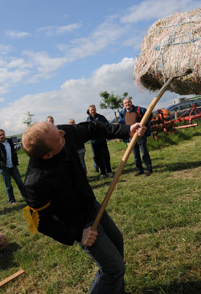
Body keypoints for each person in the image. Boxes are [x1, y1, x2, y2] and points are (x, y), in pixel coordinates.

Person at [21, 121, 146, 294]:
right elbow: (42, 223)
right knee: (113, 269)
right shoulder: (35, 183)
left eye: (57, 129)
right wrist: (78, 235)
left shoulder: (61, 134)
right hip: (79, 224)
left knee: (117, 242)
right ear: (48, 155)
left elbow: (92, 128)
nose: (63, 133)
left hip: (92, 206)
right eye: (58, 136)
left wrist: (126, 130)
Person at [118, 98, 153, 176]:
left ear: (131, 102)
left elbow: (149, 114)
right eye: (125, 103)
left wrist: (144, 124)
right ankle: (139, 170)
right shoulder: (122, 113)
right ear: (124, 105)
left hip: (140, 135)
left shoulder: (139, 109)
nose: (127, 104)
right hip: (131, 136)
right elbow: (121, 124)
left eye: (128, 102)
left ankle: (149, 169)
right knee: (135, 154)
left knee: (144, 153)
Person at [0, 129, 25, 204]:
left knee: (20, 182)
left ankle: (26, 197)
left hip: (13, 166)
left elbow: (13, 152)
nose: (2, 136)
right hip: (4, 168)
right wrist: (0, 165)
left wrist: (15, 160)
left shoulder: (9, 141)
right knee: (8, 185)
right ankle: (12, 200)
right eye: (0, 135)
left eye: (3, 134)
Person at [86, 104, 113, 179]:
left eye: (94, 109)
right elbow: (88, 130)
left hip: (102, 139)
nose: (93, 111)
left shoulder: (101, 117)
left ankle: (109, 171)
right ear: (89, 111)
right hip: (94, 141)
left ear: (96, 109)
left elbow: (107, 126)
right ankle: (103, 172)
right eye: (91, 110)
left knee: (106, 156)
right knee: (98, 157)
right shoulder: (88, 119)